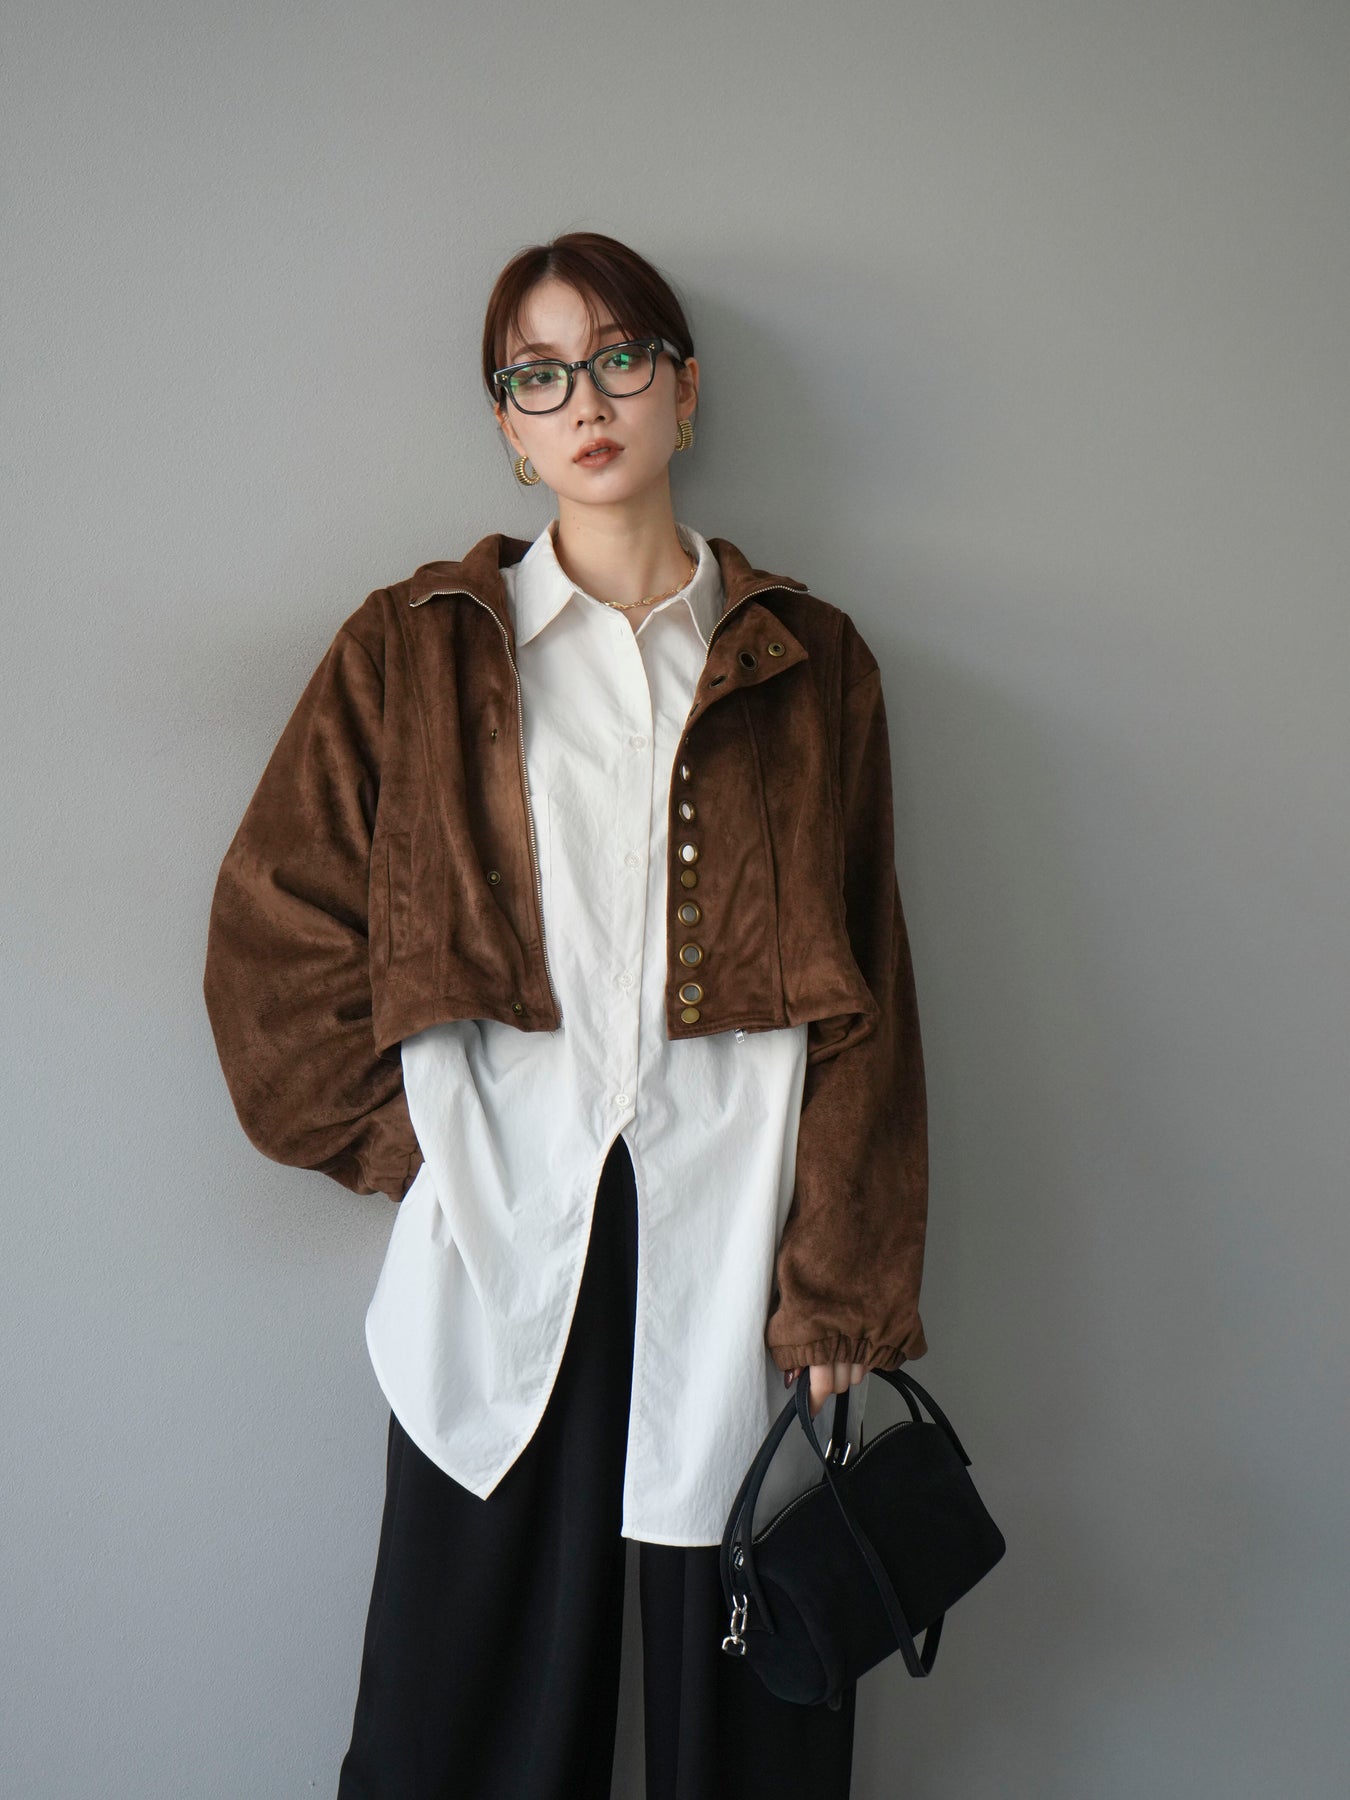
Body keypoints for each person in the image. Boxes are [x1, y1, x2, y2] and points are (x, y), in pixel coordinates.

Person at [203, 229, 928, 1799]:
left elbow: (867, 999)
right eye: (538, 375)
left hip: (739, 1256)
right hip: (501, 1255)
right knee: (461, 1733)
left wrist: (840, 1294)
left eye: (616, 357)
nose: (583, 400)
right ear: (507, 426)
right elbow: (270, 935)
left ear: (681, 389)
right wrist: (426, 1154)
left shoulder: (809, 664)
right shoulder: (414, 650)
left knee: (753, 1733)